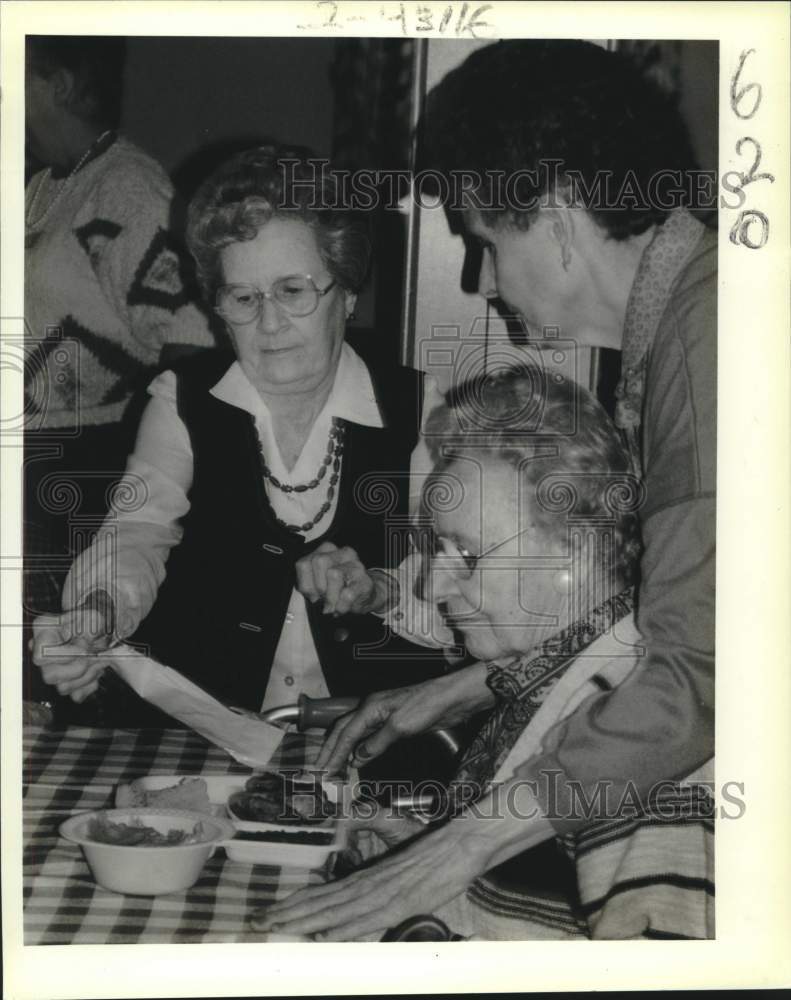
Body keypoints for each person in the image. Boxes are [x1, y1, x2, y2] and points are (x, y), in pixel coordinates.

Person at [269, 39, 715, 938]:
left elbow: (703, 674)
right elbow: (674, 617)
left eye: (482, 243)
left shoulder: (710, 347)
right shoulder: (694, 318)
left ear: (552, 214)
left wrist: (447, 854)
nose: (479, 281)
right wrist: (467, 686)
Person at [256, 369, 714, 940]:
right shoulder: (566, 672)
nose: (433, 587)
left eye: (468, 553)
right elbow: (546, 898)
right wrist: (417, 845)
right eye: (438, 549)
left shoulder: (633, 730)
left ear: (572, 549)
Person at [31, 144, 447, 725]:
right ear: (219, 306)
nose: (269, 322)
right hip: (205, 731)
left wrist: (382, 589)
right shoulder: (182, 399)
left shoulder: (420, 409)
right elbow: (138, 530)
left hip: (375, 735)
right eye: (243, 297)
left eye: (294, 291)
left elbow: (455, 573)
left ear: (347, 292)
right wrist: (97, 613)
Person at [24, 35, 217, 719]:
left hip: (82, 474)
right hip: (34, 466)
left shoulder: (128, 189)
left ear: (66, 85)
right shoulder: (48, 185)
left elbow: (192, 344)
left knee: (66, 672)